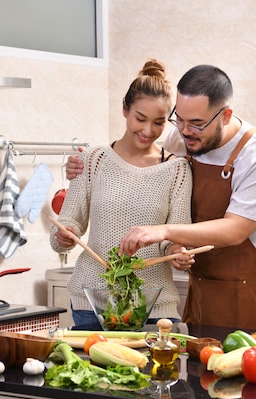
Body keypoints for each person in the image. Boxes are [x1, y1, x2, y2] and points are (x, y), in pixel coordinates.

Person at [67, 64, 256, 331]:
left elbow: (236, 230)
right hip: (204, 286)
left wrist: (162, 231)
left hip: (254, 290)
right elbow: (140, 169)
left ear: (225, 116)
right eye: (179, 119)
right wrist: (86, 164)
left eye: (197, 124)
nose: (185, 131)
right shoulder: (183, 138)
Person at [50, 59, 193, 330]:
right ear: (125, 109)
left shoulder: (178, 170)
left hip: (154, 305)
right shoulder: (92, 160)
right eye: (140, 119)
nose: (148, 131)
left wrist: (178, 253)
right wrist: (64, 235)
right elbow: (69, 224)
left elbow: (176, 235)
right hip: (92, 302)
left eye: (159, 123)